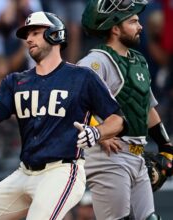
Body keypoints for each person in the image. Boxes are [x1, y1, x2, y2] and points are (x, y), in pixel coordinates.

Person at [0, 11, 125, 220]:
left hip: (62, 171)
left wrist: (97, 132)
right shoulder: (15, 80)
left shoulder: (82, 76)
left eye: (35, 32)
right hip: (24, 172)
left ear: (55, 35)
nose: (29, 39)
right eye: (27, 35)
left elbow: (118, 119)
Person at [77, 0, 173, 219]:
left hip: (137, 153)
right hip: (109, 154)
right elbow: (76, 103)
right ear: (115, 27)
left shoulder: (138, 60)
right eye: (133, 21)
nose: (140, 26)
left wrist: (166, 145)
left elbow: (145, 106)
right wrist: (99, 134)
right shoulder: (95, 61)